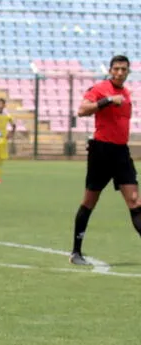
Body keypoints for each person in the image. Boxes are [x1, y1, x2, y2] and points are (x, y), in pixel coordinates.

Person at [70, 55, 137, 265]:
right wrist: (107, 100)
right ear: (110, 70)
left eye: (123, 69)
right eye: (116, 69)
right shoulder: (100, 88)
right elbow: (81, 111)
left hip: (121, 153)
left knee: (135, 201)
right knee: (90, 201)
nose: (119, 73)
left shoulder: (126, 93)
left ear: (128, 72)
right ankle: (76, 253)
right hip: (101, 152)